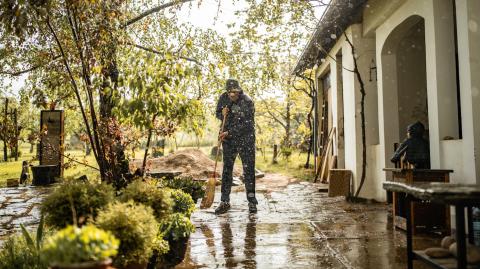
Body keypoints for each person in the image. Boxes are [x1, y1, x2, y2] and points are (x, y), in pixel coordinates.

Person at [215, 79, 257, 214]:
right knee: (227, 170)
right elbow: (217, 113)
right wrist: (222, 113)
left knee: (248, 170)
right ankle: (224, 202)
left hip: (246, 140)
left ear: (239, 90)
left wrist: (229, 132)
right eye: (229, 92)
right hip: (229, 141)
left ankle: (252, 202)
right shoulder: (223, 98)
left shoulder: (247, 101)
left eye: (234, 92)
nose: (231, 95)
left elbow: (247, 125)